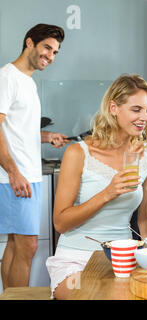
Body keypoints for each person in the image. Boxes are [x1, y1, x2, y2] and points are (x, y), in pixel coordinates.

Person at [46, 74, 147, 299]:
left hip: (123, 259)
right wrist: (107, 193)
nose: (144, 117)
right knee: (96, 295)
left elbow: (146, 219)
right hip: (75, 259)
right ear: (114, 108)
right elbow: (60, 222)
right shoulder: (78, 153)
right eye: (136, 109)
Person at [0, 23, 69, 289]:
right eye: (47, 48)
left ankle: (8, 297)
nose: (50, 56)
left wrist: (47, 137)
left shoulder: (27, 81)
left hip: (27, 174)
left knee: (16, 244)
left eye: (55, 52)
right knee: (27, 245)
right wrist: (14, 173)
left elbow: (18, 128)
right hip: (16, 177)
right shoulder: (7, 77)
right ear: (30, 43)